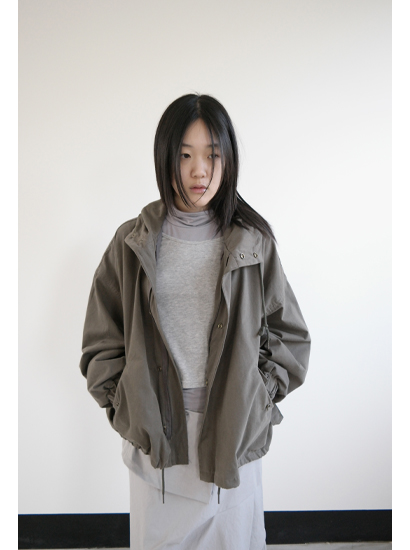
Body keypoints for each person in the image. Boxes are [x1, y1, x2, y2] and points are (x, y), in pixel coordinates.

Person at [79, 93, 311, 550]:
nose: (199, 170)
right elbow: (100, 341)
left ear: (228, 160)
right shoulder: (131, 243)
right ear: (165, 157)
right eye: (185, 155)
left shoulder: (252, 243)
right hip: (157, 437)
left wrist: (257, 399)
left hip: (232, 432)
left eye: (212, 155)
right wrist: (126, 404)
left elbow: (290, 337)